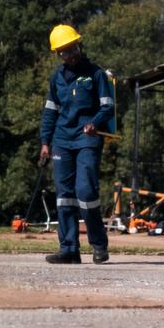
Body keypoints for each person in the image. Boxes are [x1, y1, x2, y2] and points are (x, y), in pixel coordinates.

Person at [38, 24, 115, 265]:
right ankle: (69, 248)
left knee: (85, 191)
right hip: (62, 140)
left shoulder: (96, 74)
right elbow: (50, 112)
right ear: (58, 54)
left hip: (87, 139)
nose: (69, 54)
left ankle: (99, 245)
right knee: (64, 197)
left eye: (72, 48)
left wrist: (95, 123)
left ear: (79, 45)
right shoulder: (57, 79)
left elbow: (107, 106)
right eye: (64, 51)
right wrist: (45, 142)